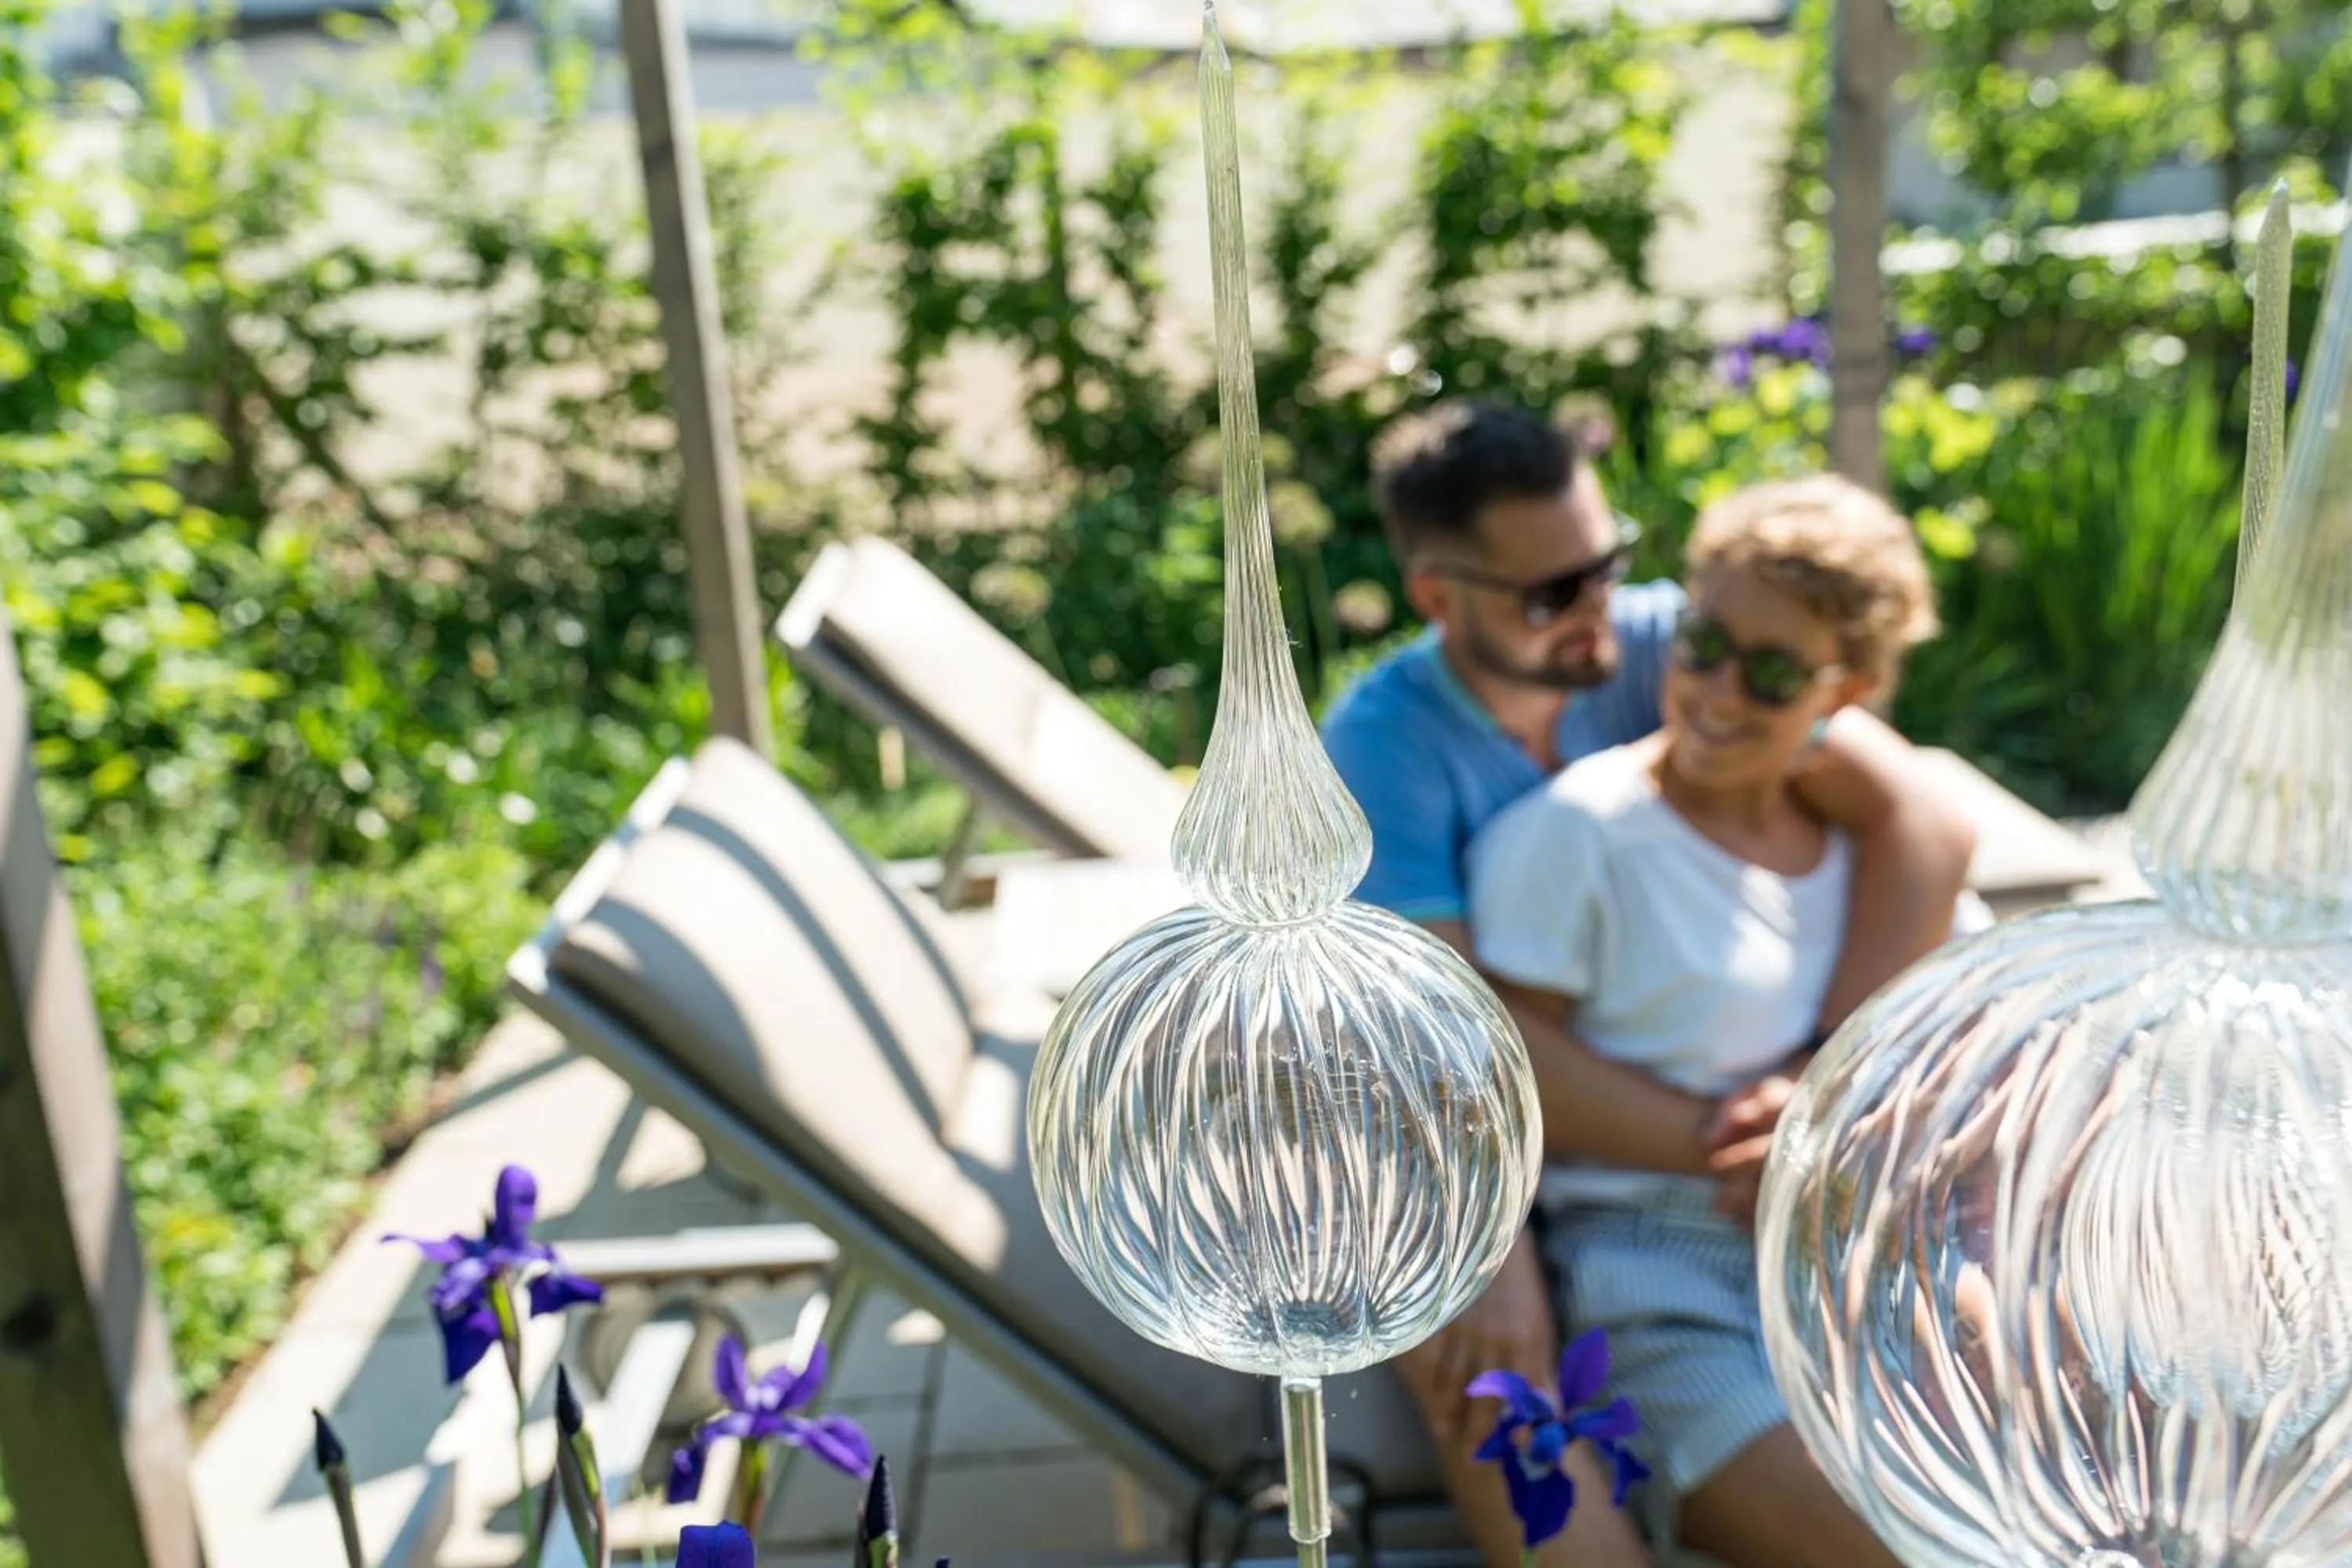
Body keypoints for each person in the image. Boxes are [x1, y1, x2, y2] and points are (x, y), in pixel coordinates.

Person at [1319, 403, 1975, 1568]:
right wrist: (1495, 1256)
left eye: (1606, 566)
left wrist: (1815, 1088)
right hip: (1412, 1095)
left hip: (1703, 1154)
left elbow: (1920, 822)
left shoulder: (1665, 640)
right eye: (1551, 592)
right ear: (1436, 598)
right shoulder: (1384, 751)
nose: (1598, 612)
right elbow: (1465, 1048)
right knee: (1490, 1366)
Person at [1464, 474, 1944, 1566]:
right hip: (1652, 1264)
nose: (1720, 690)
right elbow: (1491, 1065)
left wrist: (1827, 1114)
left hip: (1850, 1249)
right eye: (1701, 643)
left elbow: (1960, 1045)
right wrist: (1735, 1142)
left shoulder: (1863, 858)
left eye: (1773, 672)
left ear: (1845, 691)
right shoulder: (1582, 834)